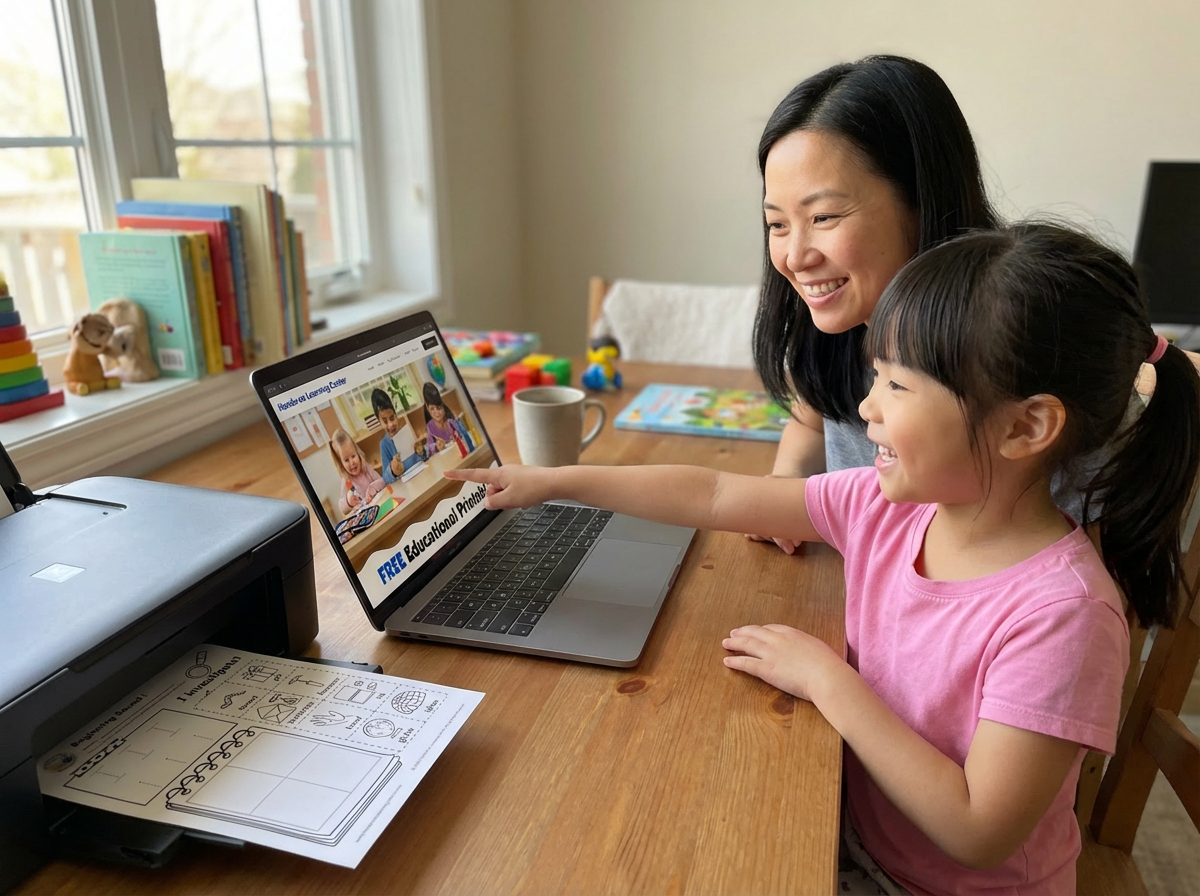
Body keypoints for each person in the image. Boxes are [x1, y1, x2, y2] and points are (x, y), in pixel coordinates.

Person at [446, 223, 1200, 895]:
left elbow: (978, 831)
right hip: (863, 834)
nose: (867, 407)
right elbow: (711, 493)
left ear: (1026, 426)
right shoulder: (887, 506)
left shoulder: (1063, 614)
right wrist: (551, 483)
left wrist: (827, 681)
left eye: (898, 384)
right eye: (878, 376)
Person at [750, 55, 998, 553]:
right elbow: (812, 412)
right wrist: (788, 481)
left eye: (823, 216)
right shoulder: (847, 313)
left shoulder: (1008, 343)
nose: (795, 257)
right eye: (777, 223)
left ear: (921, 200)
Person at [329, 427, 384, 516]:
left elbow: (382, 481)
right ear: (341, 463)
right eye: (346, 460)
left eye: (353, 456)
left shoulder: (365, 467)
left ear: (357, 452)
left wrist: (372, 488)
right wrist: (348, 501)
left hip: (380, 507)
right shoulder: (346, 479)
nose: (352, 462)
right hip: (366, 516)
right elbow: (342, 508)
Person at [371, 388, 418, 483]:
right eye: (385, 421)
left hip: (419, 476)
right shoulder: (384, 444)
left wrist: (422, 451)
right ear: (379, 422)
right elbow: (385, 478)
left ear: (396, 415)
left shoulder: (406, 433)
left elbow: (421, 458)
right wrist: (392, 471)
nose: (390, 424)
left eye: (392, 418)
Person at [422, 382, 458, 456]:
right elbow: (428, 448)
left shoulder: (449, 420)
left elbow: (461, 433)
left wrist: (456, 436)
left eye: (438, 408)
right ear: (427, 408)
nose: (436, 412)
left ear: (442, 406)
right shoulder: (430, 426)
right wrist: (436, 446)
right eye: (432, 409)